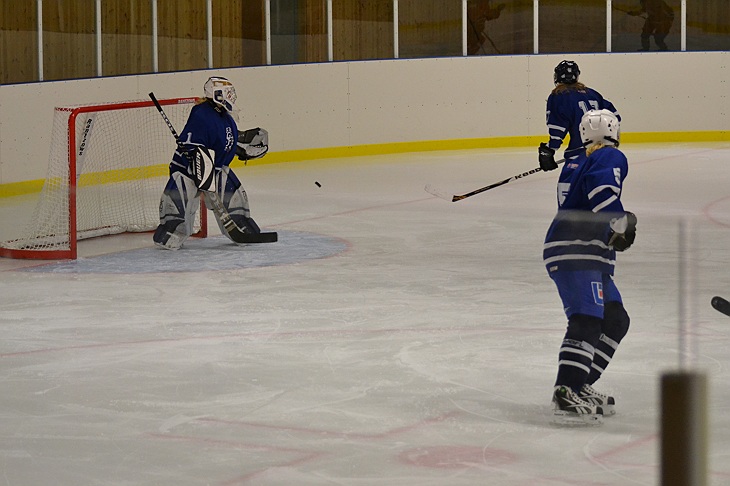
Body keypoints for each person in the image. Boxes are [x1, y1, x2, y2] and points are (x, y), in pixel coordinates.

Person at [543, 109, 637, 425]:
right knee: (586, 320)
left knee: (615, 320)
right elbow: (601, 193)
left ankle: (580, 383)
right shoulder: (610, 156)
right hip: (577, 250)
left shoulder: (574, 163)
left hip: (587, 251)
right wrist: (620, 222)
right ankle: (566, 390)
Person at [153, 76, 270, 250]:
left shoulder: (226, 117)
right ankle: (171, 231)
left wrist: (243, 147)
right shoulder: (201, 114)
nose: (232, 96)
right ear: (217, 94)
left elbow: (225, 140)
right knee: (179, 206)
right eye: (228, 92)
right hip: (188, 170)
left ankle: (241, 226)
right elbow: (192, 143)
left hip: (215, 170)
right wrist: (196, 160)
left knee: (234, 198)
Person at [538, 60, 620, 172]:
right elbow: (615, 117)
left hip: (578, 157)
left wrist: (549, 150)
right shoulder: (592, 93)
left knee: (570, 183)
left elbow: (558, 130)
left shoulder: (558, 96)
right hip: (603, 154)